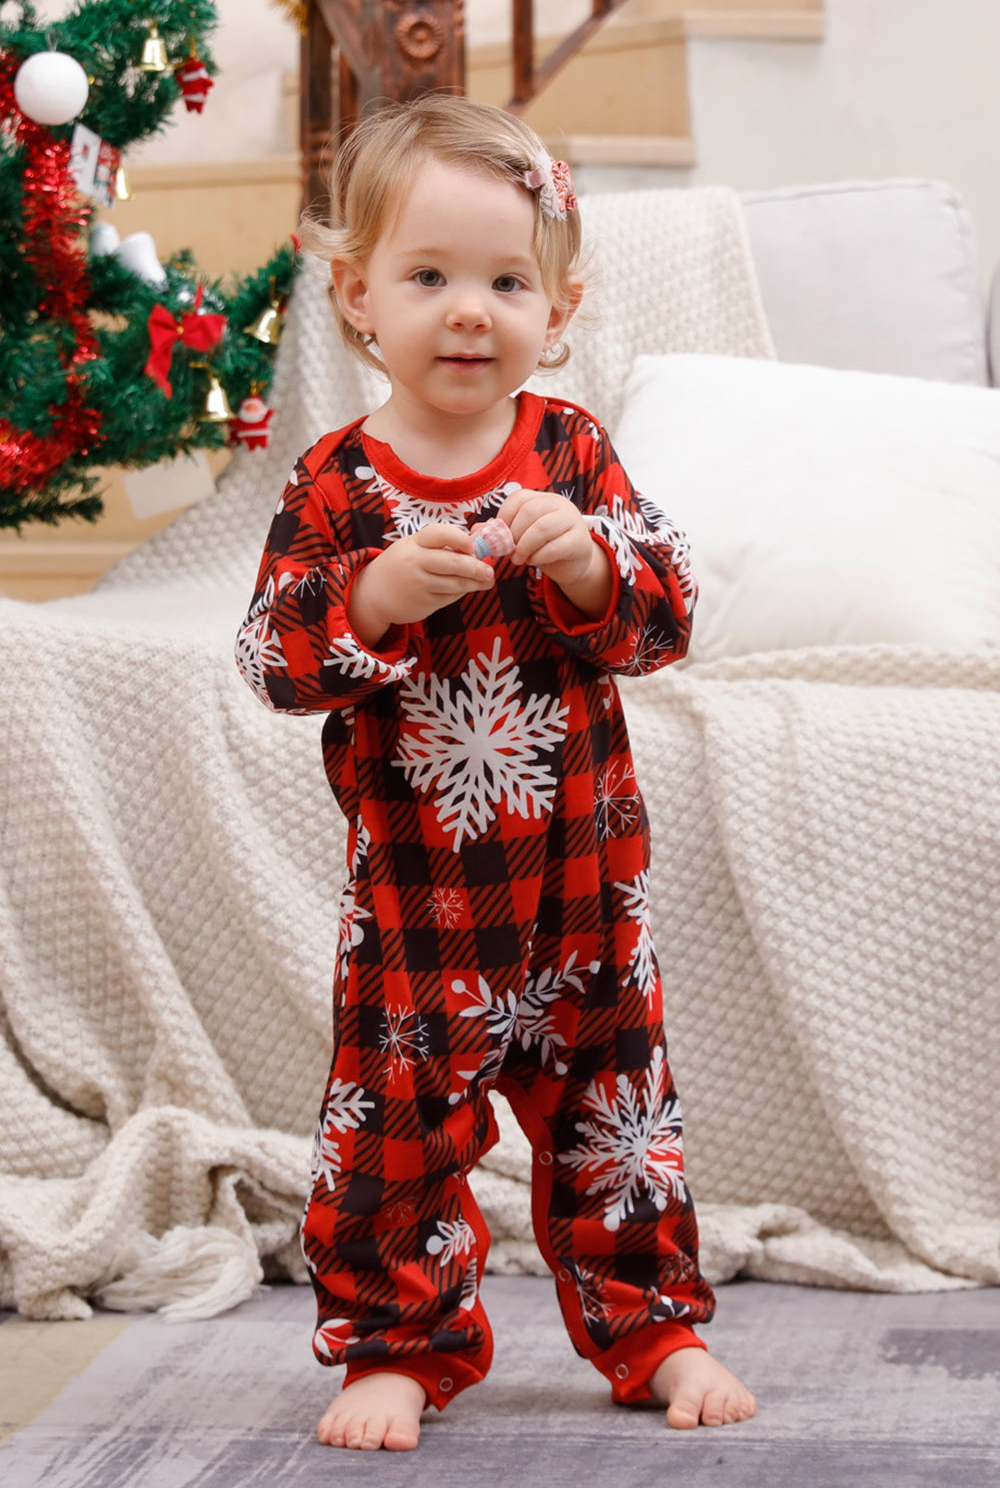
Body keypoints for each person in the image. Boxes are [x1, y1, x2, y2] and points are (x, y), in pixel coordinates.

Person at [235, 94, 756, 1453]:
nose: (470, 312)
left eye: (506, 281)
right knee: (394, 1140)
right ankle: (397, 1349)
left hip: (587, 890)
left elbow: (671, 605)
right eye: (428, 278)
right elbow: (274, 658)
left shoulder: (572, 455)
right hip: (417, 908)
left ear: (561, 306)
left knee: (618, 1120)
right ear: (356, 297)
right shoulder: (339, 486)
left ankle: (655, 1329)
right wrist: (376, 599)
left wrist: (590, 562)